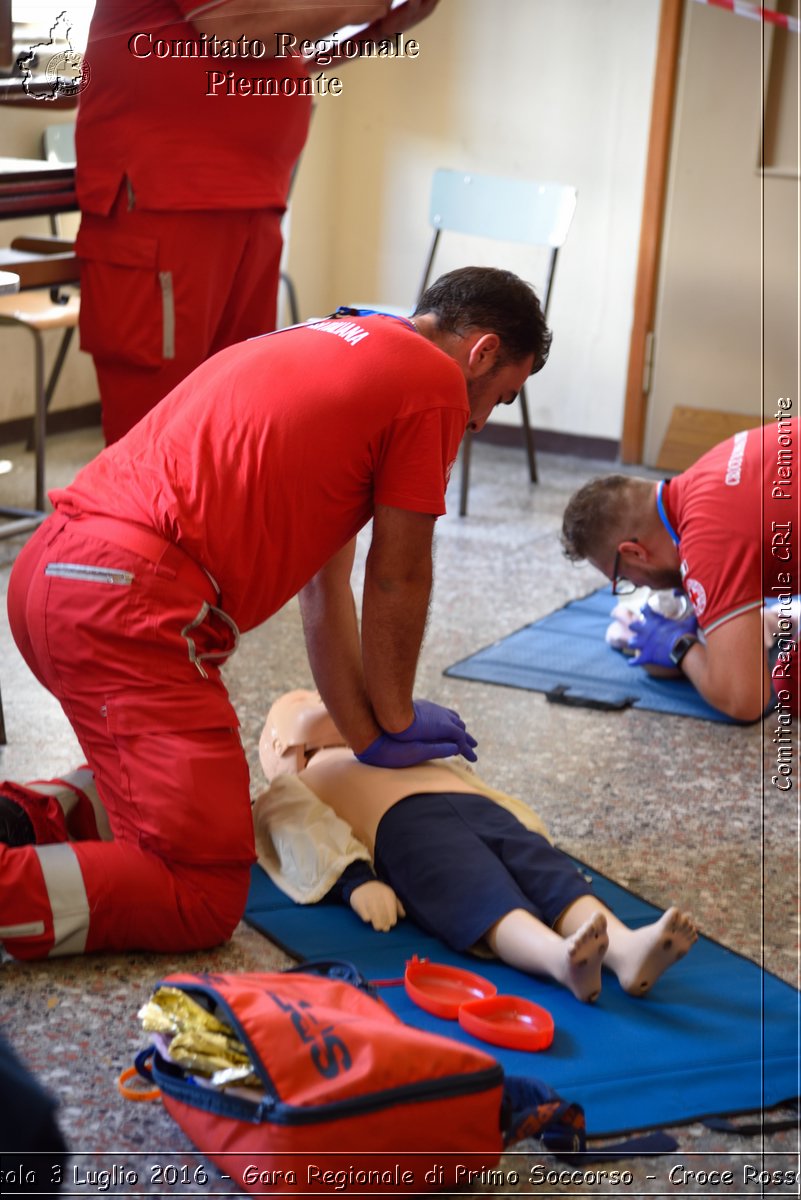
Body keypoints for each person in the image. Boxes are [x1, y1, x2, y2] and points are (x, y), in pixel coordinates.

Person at [2, 265, 551, 961]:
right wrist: (399, 714)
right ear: (480, 352)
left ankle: (20, 819)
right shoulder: (434, 384)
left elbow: (325, 587)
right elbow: (398, 576)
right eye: (498, 398)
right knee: (199, 890)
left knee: (203, 811)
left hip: (52, 573)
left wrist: (370, 730)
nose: (476, 422)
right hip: (125, 605)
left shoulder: (341, 337)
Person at [75, 0, 441, 443]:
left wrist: (381, 24)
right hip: (166, 202)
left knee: (231, 417)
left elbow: (288, 43)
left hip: (250, 200)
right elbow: (237, 29)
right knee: (157, 430)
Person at [254, 691, 698, 1005]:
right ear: (278, 745)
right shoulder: (296, 783)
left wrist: (528, 830)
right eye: (301, 699)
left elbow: (475, 782)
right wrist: (354, 881)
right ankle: (559, 960)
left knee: (548, 875)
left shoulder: (404, 747)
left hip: (481, 811)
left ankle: (625, 950)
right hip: (404, 829)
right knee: (478, 893)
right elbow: (298, 830)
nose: (318, 698)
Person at [560, 418, 800, 723]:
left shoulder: (704, 540)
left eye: (623, 579)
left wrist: (680, 647)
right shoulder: (704, 473)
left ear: (635, 553)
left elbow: (745, 699)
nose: (633, 585)